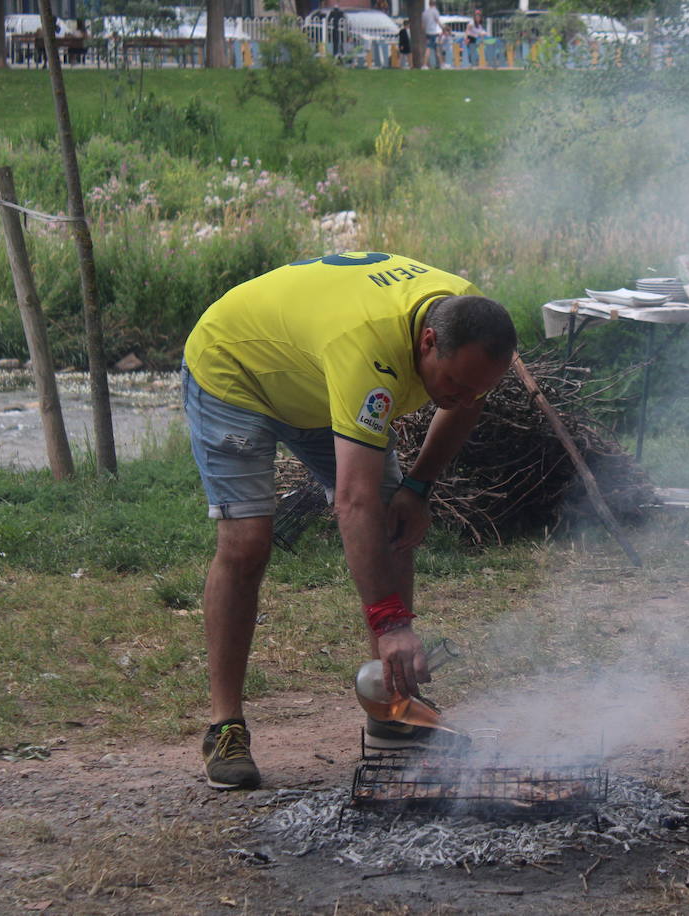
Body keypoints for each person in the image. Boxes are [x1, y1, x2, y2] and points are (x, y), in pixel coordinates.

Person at [182, 252, 517, 790]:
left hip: (314, 378)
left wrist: (417, 489)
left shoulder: (465, 322)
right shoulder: (370, 350)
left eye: (478, 388)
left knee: (395, 524)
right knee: (247, 545)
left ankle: (392, 711)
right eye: (453, 383)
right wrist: (391, 624)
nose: (462, 397)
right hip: (236, 368)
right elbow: (352, 501)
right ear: (428, 343)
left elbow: (463, 402)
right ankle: (226, 727)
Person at [422, 0, 442, 68]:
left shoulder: (425, 12)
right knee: (433, 49)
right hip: (433, 33)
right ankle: (425, 65)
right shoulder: (435, 11)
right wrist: (443, 28)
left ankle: (441, 64)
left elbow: (423, 25)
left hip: (427, 33)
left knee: (432, 49)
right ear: (435, 4)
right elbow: (437, 21)